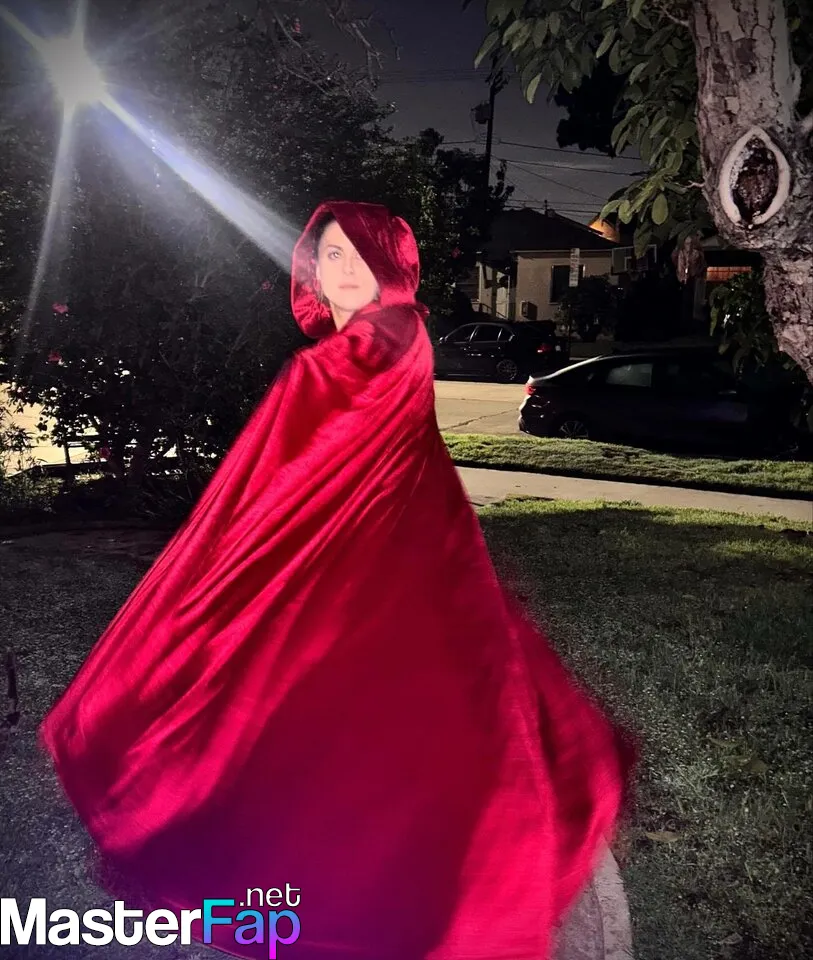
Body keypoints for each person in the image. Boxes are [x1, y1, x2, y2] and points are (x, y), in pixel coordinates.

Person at [40, 200, 633, 960]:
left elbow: (301, 465)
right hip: (401, 551)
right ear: (310, 268)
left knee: (337, 719)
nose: (344, 268)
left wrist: (235, 553)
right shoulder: (391, 335)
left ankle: (391, 884)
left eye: (359, 254)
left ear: (392, 264)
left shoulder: (375, 342)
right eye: (330, 254)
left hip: (373, 558)